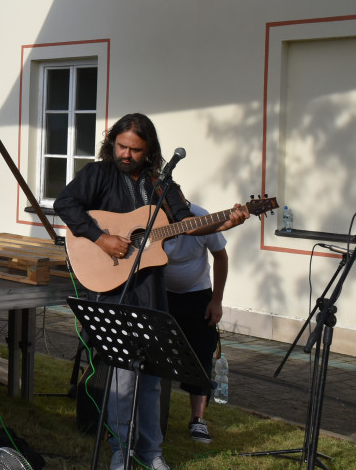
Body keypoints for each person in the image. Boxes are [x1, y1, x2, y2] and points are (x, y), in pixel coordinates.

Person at [53, 113, 247, 470]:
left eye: (135, 150)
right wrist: (102, 237)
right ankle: (119, 449)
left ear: (149, 151)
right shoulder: (98, 174)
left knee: (153, 376)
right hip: (114, 290)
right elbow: (65, 205)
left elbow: (187, 223)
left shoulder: (162, 185)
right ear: (112, 141)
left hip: (152, 292)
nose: (126, 154)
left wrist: (226, 221)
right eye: (121, 146)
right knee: (124, 376)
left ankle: (151, 452)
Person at [163, 203, 228, 444]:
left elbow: (221, 256)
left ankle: (197, 419)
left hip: (196, 294)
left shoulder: (201, 219)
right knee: (152, 353)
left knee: (200, 354)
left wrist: (217, 300)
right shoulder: (149, 216)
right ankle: (150, 411)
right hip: (158, 292)